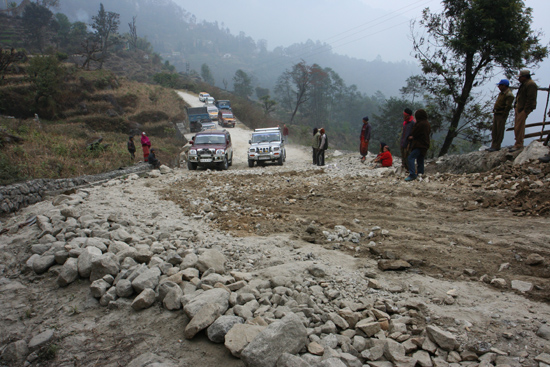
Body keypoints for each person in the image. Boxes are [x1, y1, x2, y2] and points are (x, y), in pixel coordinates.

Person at [510, 69, 538, 152]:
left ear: (525, 77)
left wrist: (525, 110)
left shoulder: (531, 84)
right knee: (517, 126)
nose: (519, 79)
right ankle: (517, 142)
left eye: (520, 77)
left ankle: (519, 144)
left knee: (519, 126)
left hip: (523, 109)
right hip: (519, 107)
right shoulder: (524, 84)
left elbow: (531, 98)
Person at [486, 79, 515, 152]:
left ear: (504, 86)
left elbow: (508, 106)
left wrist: (503, 114)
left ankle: (497, 146)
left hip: (501, 114)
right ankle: (493, 145)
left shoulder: (509, 95)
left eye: (500, 85)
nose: (498, 87)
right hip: (497, 113)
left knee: (499, 131)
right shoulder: (501, 93)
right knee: (494, 131)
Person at [405, 109, 431, 181]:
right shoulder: (427, 123)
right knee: (420, 160)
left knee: (410, 158)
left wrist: (411, 137)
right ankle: (420, 174)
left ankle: (412, 174)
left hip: (419, 145)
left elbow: (414, 132)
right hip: (425, 145)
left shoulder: (420, 124)